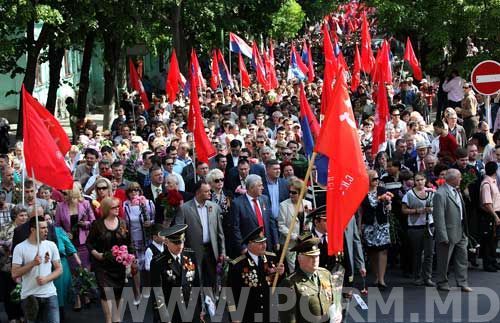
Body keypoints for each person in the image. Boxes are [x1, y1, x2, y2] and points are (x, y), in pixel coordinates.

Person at [86, 197, 132, 323]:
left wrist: (130, 259)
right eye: (114, 207)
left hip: (119, 264)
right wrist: (96, 254)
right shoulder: (97, 224)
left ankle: (117, 318)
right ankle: (109, 320)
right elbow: (89, 243)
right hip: (102, 264)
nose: (117, 209)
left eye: (118, 206)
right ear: (106, 209)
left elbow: (129, 242)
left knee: (118, 291)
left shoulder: (123, 223)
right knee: (106, 292)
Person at [227, 226, 285, 322]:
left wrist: (281, 274)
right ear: (250, 244)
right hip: (249, 314)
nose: (264, 245)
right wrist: (234, 316)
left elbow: (279, 285)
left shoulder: (272, 259)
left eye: (264, 242)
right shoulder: (238, 265)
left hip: (269, 313)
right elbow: (231, 293)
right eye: (260, 243)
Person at [11, 216, 62, 323]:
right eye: (42, 228)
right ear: (33, 230)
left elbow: (59, 269)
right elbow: (14, 273)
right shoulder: (20, 248)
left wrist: (46, 279)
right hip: (29, 297)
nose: (46, 230)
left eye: (46, 227)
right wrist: (32, 264)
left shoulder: (51, 245)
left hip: (50, 294)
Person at [279, 237, 342, 323]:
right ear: (300, 259)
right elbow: (289, 319)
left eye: (317, 256)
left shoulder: (325, 274)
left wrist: (336, 314)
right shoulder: (290, 283)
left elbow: (332, 302)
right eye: (311, 257)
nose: (315, 260)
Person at [149, 224, 203, 323]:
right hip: (172, 313)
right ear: (166, 242)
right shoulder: (158, 262)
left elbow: (196, 283)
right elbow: (158, 294)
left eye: (182, 242)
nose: (180, 246)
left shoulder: (190, 254)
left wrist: (200, 308)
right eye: (176, 243)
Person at [54, 181, 95, 310]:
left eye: (65, 193)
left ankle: (86, 295)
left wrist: (85, 224)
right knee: (73, 272)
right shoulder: (60, 206)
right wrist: (65, 234)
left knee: (84, 269)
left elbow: (93, 221)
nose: (63, 195)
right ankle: (77, 298)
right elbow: (57, 225)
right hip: (69, 242)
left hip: (83, 242)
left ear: (73, 193)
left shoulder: (85, 204)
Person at [432, 169, 472, 292]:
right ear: (452, 179)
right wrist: (443, 235)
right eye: (459, 177)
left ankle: (462, 282)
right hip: (448, 232)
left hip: (460, 229)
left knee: (462, 257)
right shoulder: (440, 193)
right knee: (444, 260)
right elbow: (439, 217)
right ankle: (442, 282)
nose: (461, 179)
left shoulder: (457, 190)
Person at [230, 174, 279, 257]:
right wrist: (242, 247)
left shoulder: (265, 199)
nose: (262, 188)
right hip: (250, 248)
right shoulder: (237, 203)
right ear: (251, 188)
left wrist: (276, 241)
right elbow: (235, 228)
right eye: (260, 185)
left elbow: (271, 222)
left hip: (267, 245)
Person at [123, 182, 155, 304]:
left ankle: (146, 289)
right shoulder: (125, 205)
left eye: (136, 190)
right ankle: (137, 292)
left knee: (147, 265)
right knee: (135, 267)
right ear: (128, 193)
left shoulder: (148, 203)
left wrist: (150, 223)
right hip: (133, 239)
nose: (134, 193)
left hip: (146, 238)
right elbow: (124, 222)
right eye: (131, 191)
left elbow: (154, 219)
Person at [401, 173, 436, 286]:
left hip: (429, 225)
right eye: (417, 180)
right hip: (415, 227)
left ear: (425, 180)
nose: (420, 182)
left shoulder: (431, 192)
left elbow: (437, 206)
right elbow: (404, 210)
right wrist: (418, 211)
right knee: (417, 253)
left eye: (422, 179)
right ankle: (417, 276)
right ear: (414, 181)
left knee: (429, 253)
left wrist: (432, 209)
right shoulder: (409, 194)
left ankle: (428, 277)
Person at [359, 170, 391, 289]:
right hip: (369, 225)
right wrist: (359, 227)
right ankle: (376, 276)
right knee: (372, 251)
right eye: (374, 179)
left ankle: (382, 279)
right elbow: (361, 211)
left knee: (383, 250)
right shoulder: (362, 193)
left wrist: (388, 204)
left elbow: (388, 206)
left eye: (377, 178)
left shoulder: (382, 191)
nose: (376, 181)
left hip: (382, 224)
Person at [46, 213, 82, 319]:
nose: (48, 221)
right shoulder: (41, 234)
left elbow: (68, 244)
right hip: (47, 265)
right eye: (45, 219)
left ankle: (60, 313)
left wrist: (77, 259)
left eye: (49, 219)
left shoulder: (59, 231)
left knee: (62, 289)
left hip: (61, 262)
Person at [277, 177, 312, 272]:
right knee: (293, 268)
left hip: (304, 242)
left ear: (301, 193)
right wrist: (295, 237)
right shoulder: (283, 205)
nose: (291, 194)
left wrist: (306, 233)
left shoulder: (307, 204)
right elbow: (281, 226)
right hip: (290, 243)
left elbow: (310, 221)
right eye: (290, 192)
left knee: (305, 265)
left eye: (294, 192)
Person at [0, 205, 27, 322]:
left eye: (26, 215)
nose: (24, 218)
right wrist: (5, 248)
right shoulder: (6, 228)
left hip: (24, 266)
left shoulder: (29, 228)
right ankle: (12, 316)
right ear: (14, 216)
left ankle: (23, 315)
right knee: (9, 293)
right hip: (7, 265)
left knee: (23, 292)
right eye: (21, 215)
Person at [478, 162, 500, 272]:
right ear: (495, 171)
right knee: (488, 240)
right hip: (489, 215)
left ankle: (493, 261)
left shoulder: (493, 182)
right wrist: (495, 216)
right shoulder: (486, 184)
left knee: (494, 239)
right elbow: (487, 203)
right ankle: (488, 263)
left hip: (495, 212)